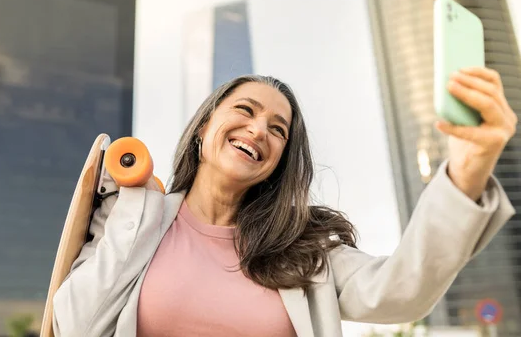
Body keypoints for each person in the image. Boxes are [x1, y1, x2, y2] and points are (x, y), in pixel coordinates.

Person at [52, 70, 517, 337]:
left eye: (278, 130)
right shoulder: (133, 217)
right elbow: (75, 324)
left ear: (277, 161)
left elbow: (402, 290)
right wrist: (134, 207)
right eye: (245, 111)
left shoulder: (304, 252)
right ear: (202, 127)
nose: (258, 130)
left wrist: (467, 173)